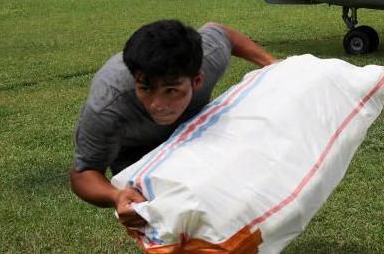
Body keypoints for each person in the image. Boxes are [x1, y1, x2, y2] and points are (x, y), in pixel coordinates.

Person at [69, 20, 277, 228]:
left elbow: (222, 32)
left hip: (190, 132)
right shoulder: (108, 106)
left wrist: (272, 64)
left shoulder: (209, 58)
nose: (157, 105)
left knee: (221, 196)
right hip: (136, 153)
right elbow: (83, 174)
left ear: (197, 81)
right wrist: (116, 196)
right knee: (165, 219)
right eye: (146, 89)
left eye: (171, 90)